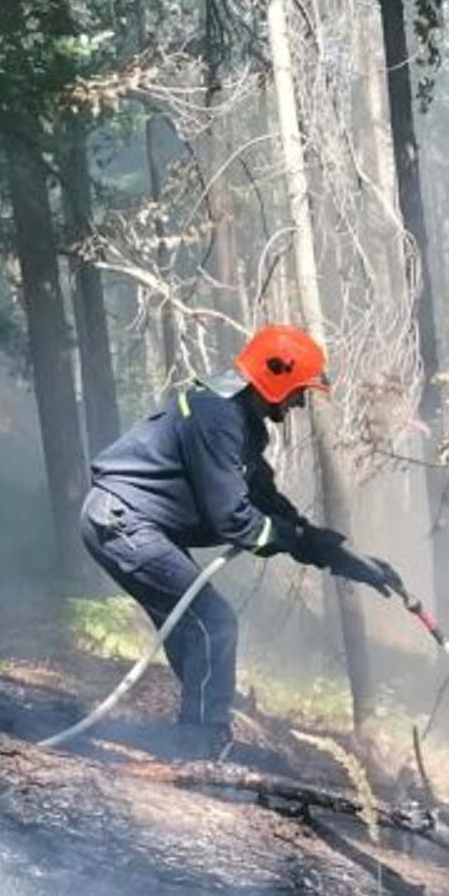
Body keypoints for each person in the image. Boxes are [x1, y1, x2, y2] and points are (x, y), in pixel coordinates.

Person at [78, 323, 400, 756]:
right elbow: (234, 518)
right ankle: (201, 745)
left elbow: (265, 500)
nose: (300, 401)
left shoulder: (239, 421)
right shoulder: (216, 416)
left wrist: (334, 553)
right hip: (122, 521)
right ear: (276, 378)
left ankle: (198, 738)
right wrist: (291, 538)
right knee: (213, 622)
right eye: (298, 390)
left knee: (195, 632)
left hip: (135, 522)